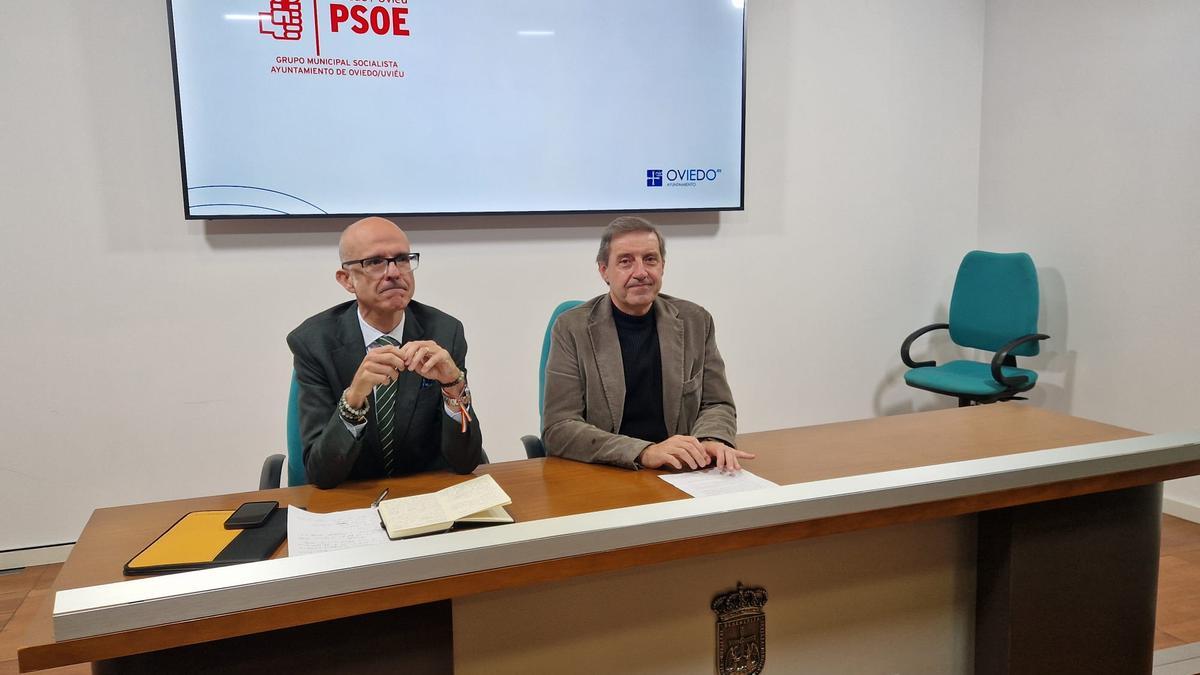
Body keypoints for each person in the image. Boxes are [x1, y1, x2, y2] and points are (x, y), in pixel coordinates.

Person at [542, 216, 752, 472]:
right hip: (608, 472)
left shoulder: (695, 321)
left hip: (682, 472)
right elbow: (559, 427)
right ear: (603, 271)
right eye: (625, 261)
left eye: (650, 259)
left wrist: (711, 439)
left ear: (662, 266)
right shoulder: (572, 328)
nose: (640, 272)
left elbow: (716, 403)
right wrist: (643, 452)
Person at [287, 217, 484, 488]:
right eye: (375, 262)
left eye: (402, 259)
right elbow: (321, 474)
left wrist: (454, 386)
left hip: (426, 497)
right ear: (347, 280)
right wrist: (354, 398)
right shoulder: (314, 343)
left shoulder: (444, 332)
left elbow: (466, 461)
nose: (394, 273)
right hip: (353, 500)